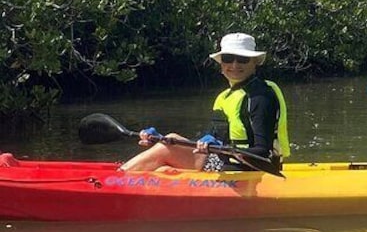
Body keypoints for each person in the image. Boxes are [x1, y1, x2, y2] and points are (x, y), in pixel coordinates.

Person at [119, 33, 290, 172]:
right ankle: (126, 177)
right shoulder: (225, 96)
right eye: (228, 58)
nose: (235, 65)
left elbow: (263, 151)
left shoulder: (261, 96)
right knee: (169, 140)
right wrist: (159, 139)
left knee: (165, 152)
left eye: (243, 59)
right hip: (227, 160)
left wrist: (220, 149)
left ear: (254, 63)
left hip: (253, 168)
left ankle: (117, 181)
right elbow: (211, 137)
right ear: (221, 64)